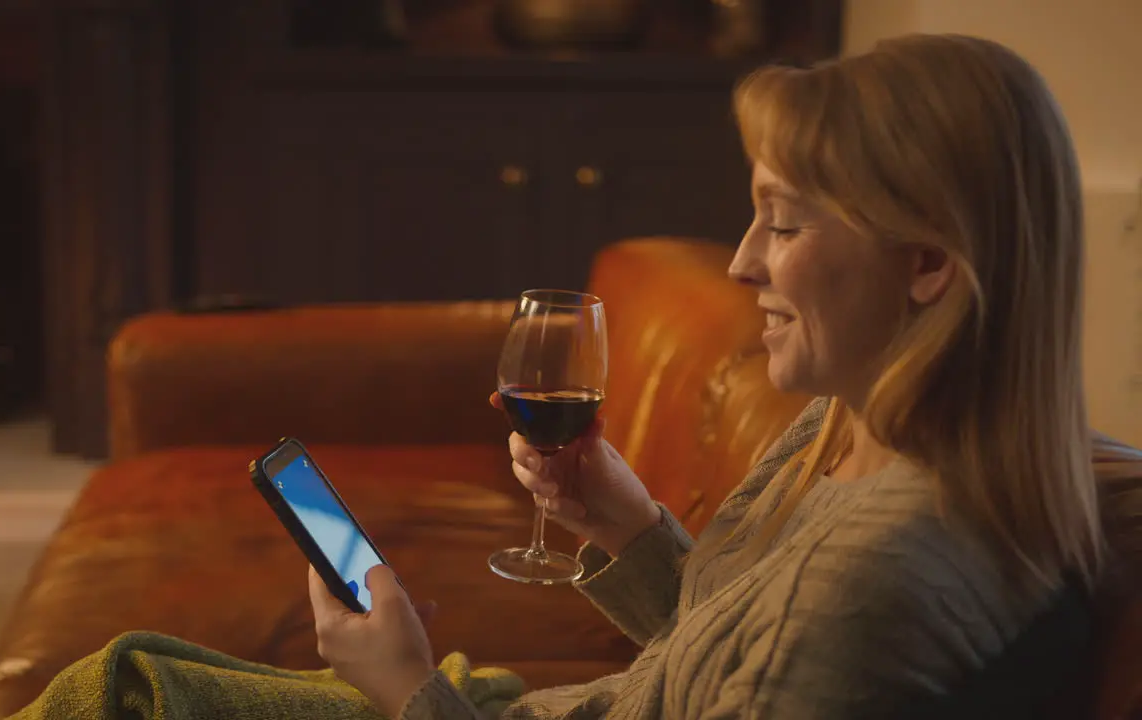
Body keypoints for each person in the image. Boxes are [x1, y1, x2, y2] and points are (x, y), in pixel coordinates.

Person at [305, 33, 1137, 719]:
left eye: (783, 223)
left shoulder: (880, 579)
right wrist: (627, 527)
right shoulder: (846, 427)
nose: (742, 262)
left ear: (926, 263)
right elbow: (726, 667)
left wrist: (407, 689)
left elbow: (802, 642)